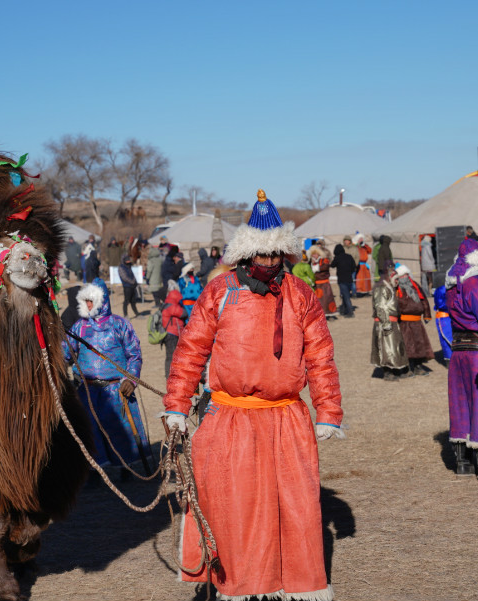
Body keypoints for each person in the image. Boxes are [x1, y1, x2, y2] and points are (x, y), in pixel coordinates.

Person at [162, 189, 343, 601]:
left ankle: (288, 585)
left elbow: (320, 356)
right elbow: (191, 350)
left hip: (286, 418)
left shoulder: (300, 293)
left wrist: (328, 410)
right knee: (236, 510)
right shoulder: (220, 290)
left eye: (275, 253)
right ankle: (240, 587)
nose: (268, 261)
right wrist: (176, 405)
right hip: (232, 419)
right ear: (247, 253)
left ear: (284, 252)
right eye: (261, 254)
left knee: (293, 509)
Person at [63, 283, 151, 472]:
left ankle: (128, 469)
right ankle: (97, 472)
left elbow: (134, 355)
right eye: (85, 301)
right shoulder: (79, 327)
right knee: (92, 433)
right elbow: (65, 354)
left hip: (117, 389)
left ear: (101, 301)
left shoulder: (120, 325)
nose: (87, 305)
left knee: (122, 433)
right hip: (88, 390)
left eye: (90, 301)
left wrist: (131, 380)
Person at [445, 238, 478, 478]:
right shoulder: (477, 285)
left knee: (460, 402)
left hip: (459, 352)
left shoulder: (453, 285)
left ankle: (462, 462)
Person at [372, 263, 409, 380]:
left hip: (392, 322)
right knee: (386, 348)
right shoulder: (381, 288)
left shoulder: (389, 287)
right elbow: (380, 307)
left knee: (395, 347)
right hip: (385, 323)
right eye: (396, 278)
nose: (397, 281)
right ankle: (387, 372)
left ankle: (396, 369)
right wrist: (386, 324)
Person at [395, 264, 434, 375]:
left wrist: (427, 315)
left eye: (406, 275)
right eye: (402, 275)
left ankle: (418, 366)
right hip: (404, 322)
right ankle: (407, 367)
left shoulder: (415, 286)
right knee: (407, 345)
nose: (405, 277)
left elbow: (424, 300)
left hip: (417, 321)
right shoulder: (396, 288)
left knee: (419, 344)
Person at [161, 287, 186, 379]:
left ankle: (170, 375)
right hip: (172, 334)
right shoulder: (172, 306)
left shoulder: (167, 304)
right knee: (171, 356)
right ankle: (170, 376)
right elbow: (183, 313)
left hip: (169, 334)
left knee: (170, 356)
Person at [310, 245, 338, 317]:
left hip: (325, 284)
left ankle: (330, 314)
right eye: (313, 254)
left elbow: (325, 267)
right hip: (317, 284)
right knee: (319, 301)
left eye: (315, 254)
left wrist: (316, 268)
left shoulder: (324, 260)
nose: (314, 255)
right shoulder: (311, 262)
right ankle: (321, 314)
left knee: (327, 299)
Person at [330, 243, 356, 318]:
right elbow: (354, 267)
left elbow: (332, 265)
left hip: (342, 280)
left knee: (346, 296)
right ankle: (344, 310)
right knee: (345, 295)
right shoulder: (349, 256)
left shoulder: (337, 258)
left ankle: (350, 312)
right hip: (349, 279)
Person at [433, 284, 453, 365]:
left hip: (455, 317)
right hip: (444, 318)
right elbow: (439, 304)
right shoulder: (441, 289)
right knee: (446, 339)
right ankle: (449, 361)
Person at [117, 254, 140, 318]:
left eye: (129, 260)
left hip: (132, 286)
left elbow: (132, 275)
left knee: (133, 301)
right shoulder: (121, 267)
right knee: (126, 301)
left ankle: (137, 314)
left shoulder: (129, 266)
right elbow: (124, 277)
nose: (128, 261)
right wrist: (132, 281)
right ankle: (125, 315)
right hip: (127, 287)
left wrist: (135, 282)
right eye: (127, 261)